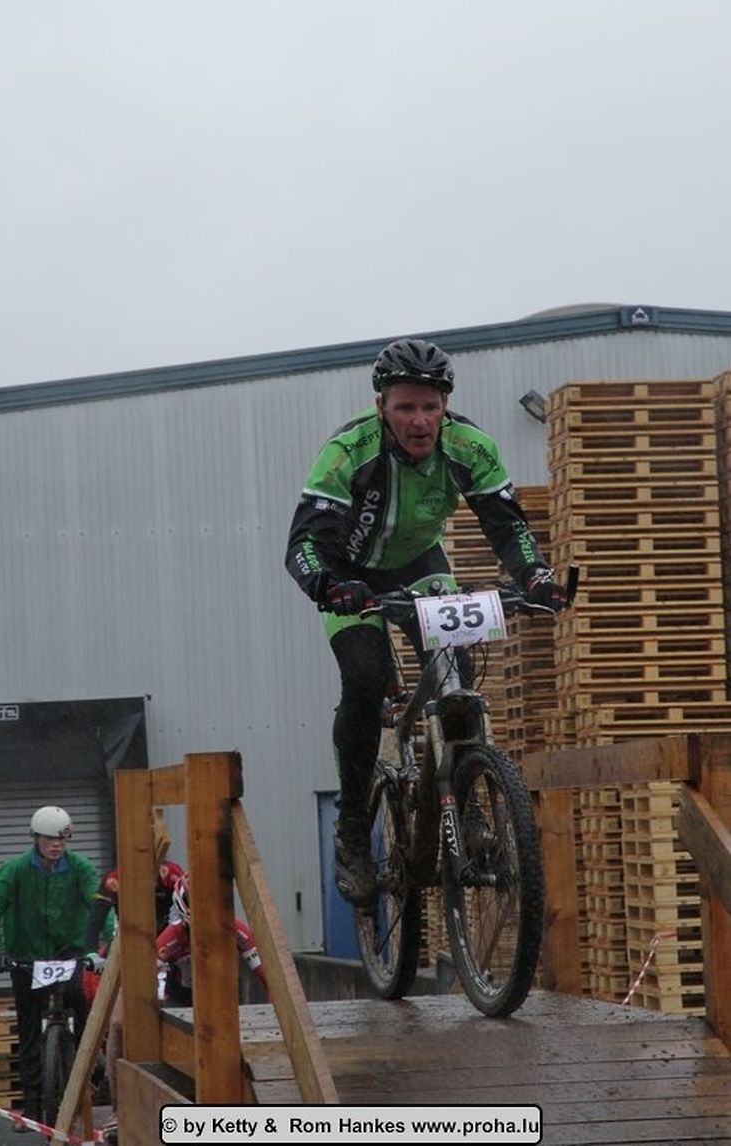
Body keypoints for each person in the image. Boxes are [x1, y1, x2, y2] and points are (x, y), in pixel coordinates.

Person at [284, 337, 570, 907]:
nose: (419, 420)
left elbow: (506, 525)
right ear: (381, 406)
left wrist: (536, 576)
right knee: (365, 681)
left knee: (456, 678)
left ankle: (467, 807)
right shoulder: (346, 452)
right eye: (405, 407)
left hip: (419, 564)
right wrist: (328, 587)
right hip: (347, 575)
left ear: (445, 406)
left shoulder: (470, 446)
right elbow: (303, 546)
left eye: (430, 407)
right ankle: (353, 830)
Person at [0, 806, 101, 1132]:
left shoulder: (81, 868)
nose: (56, 845)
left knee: (81, 996)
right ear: (35, 838)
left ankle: (89, 1061)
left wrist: (106, 945)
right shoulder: (15, 869)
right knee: (29, 1028)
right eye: (49, 839)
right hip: (26, 955)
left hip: (69, 951)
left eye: (62, 839)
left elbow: (100, 904)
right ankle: (32, 1106)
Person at [81, 858, 185, 1145]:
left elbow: (188, 904)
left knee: (178, 1020)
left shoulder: (170, 873)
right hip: (127, 951)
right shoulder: (114, 879)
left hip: (173, 948)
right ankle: (119, 1109)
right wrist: (91, 952)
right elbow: (95, 919)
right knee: (117, 1026)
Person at [156, 873, 267, 1006]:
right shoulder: (172, 935)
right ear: (183, 903)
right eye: (196, 902)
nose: (204, 909)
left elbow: (265, 974)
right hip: (181, 997)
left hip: (220, 994)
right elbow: (148, 975)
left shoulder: (235, 928)